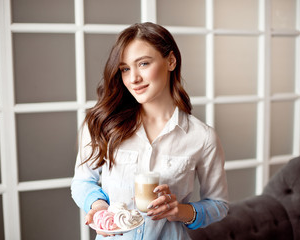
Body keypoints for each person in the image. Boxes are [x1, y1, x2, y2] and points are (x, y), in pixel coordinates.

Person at [71, 22, 229, 240]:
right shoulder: (102, 124)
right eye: (125, 69)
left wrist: (179, 211)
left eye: (143, 64)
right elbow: (82, 181)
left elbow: (218, 204)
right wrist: (98, 207)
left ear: (171, 61)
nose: (133, 78)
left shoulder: (202, 137)